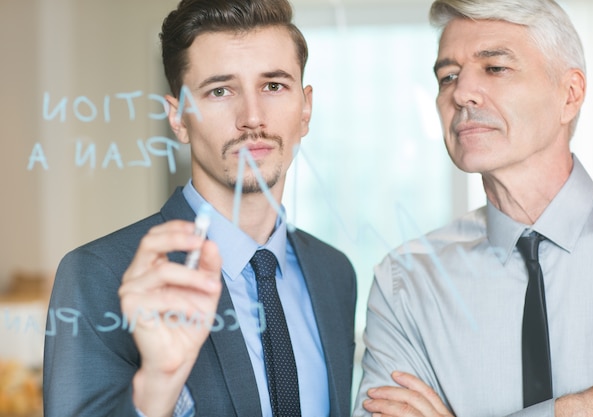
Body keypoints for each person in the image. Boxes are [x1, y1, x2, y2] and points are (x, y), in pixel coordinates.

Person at [43, 1, 357, 416]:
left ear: (305, 108)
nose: (252, 117)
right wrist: (157, 384)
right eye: (220, 90)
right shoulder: (97, 275)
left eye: (274, 86)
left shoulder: (336, 275)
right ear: (178, 119)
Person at [353, 0, 593, 416]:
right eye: (447, 76)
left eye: (494, 68)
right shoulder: (405, 282)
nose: (461, 92)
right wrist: (579, 409)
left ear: (569, 95)